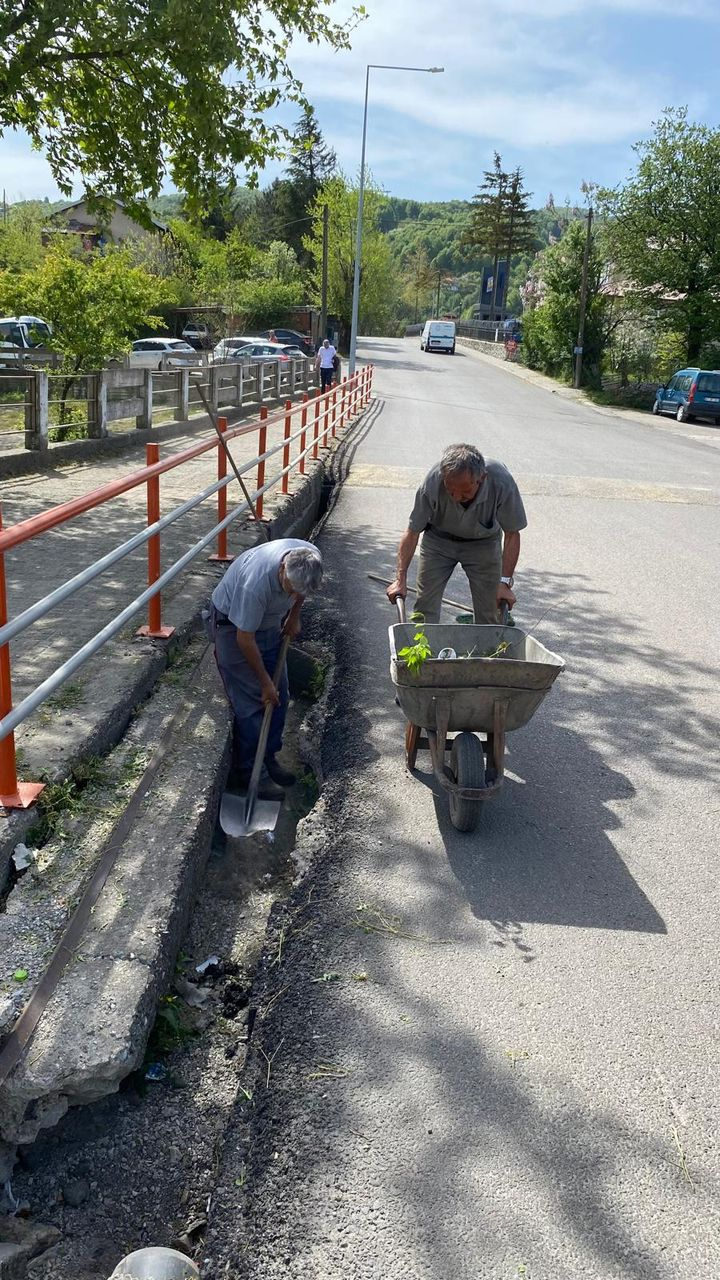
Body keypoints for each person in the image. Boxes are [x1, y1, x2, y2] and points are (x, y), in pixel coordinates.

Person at [209, 539, 323, 800]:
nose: (293, 594)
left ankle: (268, 757)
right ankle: (250, 774)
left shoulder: (310, 559)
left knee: (281, 695)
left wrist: (294, 615)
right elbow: (244, 639)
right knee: (252, 705)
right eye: (290, 588)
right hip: (233, 628)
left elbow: (301, 590)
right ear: (282, 569)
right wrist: (263, 683)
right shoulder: (255, 584)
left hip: (268, 625)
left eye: (299, 592)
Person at [386, 443, 526, 624]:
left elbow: (512, 534)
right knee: (424, 609)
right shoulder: (433, 481)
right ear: (443, 477)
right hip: (438, 542)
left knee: (490, 611)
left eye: (465, 492)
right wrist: (400, 579)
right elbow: (412, 532)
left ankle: (486, 650)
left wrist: (504, 583)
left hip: (483, 544)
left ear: (481, 478)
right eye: (450, 490)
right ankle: (423, 651)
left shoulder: (501, 481)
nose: (457, 498)